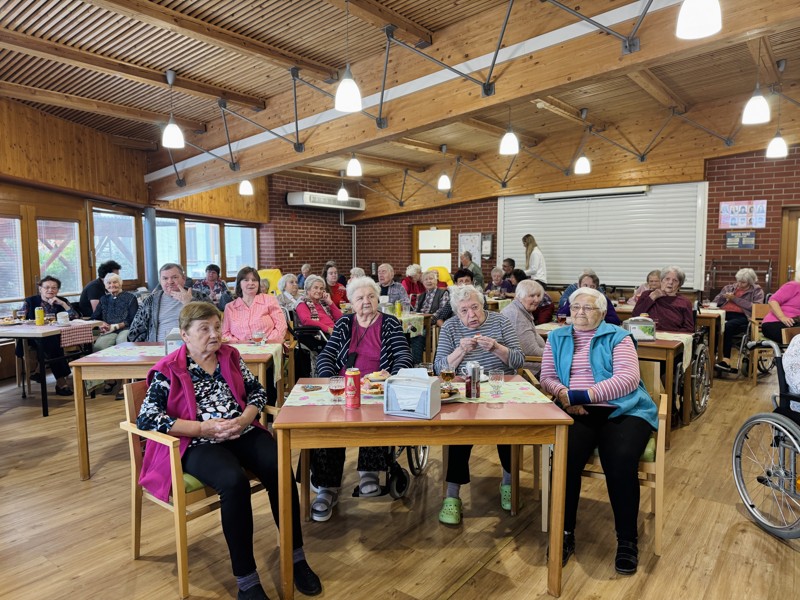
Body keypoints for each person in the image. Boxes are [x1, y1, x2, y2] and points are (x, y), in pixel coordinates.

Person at [136, 302, 321, 599]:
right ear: (185, 335)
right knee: (233, 483)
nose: (214, 334)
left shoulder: (230, 356)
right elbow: (147, 418)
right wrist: (201, 428)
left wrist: (245, 419)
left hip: (241, 430)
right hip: (199, 442)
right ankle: (246, 581)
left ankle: (296, 557)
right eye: (204, 329)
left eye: (216, 327)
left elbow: (257, 391)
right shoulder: (168, 369)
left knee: (279, 466)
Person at [539, 287, 658, 575]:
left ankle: (627, 539)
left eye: (588, 307)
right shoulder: (556, 337)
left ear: (602, 313)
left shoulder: (619, 337)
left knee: (619, 459)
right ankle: (564, 532)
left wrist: (580, 396)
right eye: (575, 307)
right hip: (576, 410)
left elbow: (628, 379)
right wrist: (564, 394)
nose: (580, 312)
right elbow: (547, 376)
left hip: (625, 409)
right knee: (565, 459)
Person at [311, 276, 413, 521]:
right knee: (327, 425)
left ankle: (369, 471)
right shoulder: (344, 323)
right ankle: (327, 487)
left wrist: (390, 376)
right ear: (351, 302)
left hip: (376, 388)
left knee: (374, 414)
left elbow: (403, 356)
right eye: (360, 298)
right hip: (343, 387)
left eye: (371, 296)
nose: (366, 302)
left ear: (378, 299)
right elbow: (327, 355)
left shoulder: (389, 323)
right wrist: (330, 380)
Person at [434, 285, 524, 525]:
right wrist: (460, 351)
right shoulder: (451, 327)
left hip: (499, 389)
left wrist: (496, 347)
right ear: (457, 312)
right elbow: (439, 367)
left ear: (482, 305)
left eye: (474, 307)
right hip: (465, 392)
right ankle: (452, 495)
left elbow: (518, 360)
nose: (471, 315)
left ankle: (509, 483)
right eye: (464, 310)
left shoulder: (500, 321)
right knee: (459, 430)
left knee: (507, 428)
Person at [18, 275, 79, 396]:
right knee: (52, 344)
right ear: (40, 289)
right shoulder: (30, 301)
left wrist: (63, 304)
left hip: (56, 336)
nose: (50, 290)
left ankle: (40, 371)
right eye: (47, 287)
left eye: (54, 288)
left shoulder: (61, 301)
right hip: (33, 336)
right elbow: (20, 319)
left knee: (51, 341)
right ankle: (61, 382)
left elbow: (75, 317)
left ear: (58, 290)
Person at [128, 263, 212, 343]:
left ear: (183, 279)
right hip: (159, 347)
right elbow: (134, 333)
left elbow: (213, 321)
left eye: (174, 277)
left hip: (194, 347)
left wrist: (190, 303)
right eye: (165, 278)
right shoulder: (151, 300)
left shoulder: (200, 297)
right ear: (160, 281)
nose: (170, 281)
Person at [90, 273, 140, 396]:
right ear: (105, 286)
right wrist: (101, 324)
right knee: (99, 346)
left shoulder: (130, 298)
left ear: (120, 284)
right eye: (109, 283)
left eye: (115, 282)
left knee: (123, 344)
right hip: (108, 331)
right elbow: (94, 317)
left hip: (126, 328)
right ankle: (110, 379)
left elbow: (134, 319)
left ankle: (125, 383)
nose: (112, 285)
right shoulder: (103, 299)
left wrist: (117, 326)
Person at [712, 268, 764, 372]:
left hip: (743, 316)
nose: (739, 284)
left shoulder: (757, 291)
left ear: (750, 282)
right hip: (724, 313)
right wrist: (723, 297)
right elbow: (715, 302)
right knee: (711, 325)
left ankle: (726, 360)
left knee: (727, 326)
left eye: (743, 282)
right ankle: (711, 357)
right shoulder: (729, 288)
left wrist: (735, 299)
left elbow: (755, 307)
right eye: (738, 281)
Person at [222, 267, 287, 344]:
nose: (251, 283)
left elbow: (281, 325)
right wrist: (240, 343)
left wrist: (266, 341)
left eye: (254, 280)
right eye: (246, 280)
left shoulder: (269, 300)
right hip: (239, 348)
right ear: (239, 284)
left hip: (268, 346)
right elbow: (225, 333)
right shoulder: (230, 307)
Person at [501, 279, 546, 374]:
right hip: (528, 369)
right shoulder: (516, 316)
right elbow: (531, 351)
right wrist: (556, 353)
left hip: (536, 362)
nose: (537, 300)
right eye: (532, 296)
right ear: (519, 296)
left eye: (538, 296)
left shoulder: (521, 310)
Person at [631, 266, 694, 333]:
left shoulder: (684, 302)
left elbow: (689, 328)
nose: (670, 282)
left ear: (679, 285)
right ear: (661, 281)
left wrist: (672, 335)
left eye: (675, 280)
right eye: (667, 279)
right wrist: (652, 298)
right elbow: (635, 316)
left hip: (673, 337)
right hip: (647, 335)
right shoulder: (647, 295)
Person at [410, 269, 450, 363]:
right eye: (426, 279)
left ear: (436, 280)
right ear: (423, 282)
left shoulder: (443, 293)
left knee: (417, 334)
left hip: (432, 324)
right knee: (403, 332)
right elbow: (415, 311)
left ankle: (417, 364)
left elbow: (442, 310)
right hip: (418, 323)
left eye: (431, 278)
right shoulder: (420, 296)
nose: (429, 281)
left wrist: (430, 318)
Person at [762, 277, 800, 345]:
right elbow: (773, 301)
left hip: (795, 324)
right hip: (775, 323)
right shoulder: (794, 286)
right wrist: (782, 317)